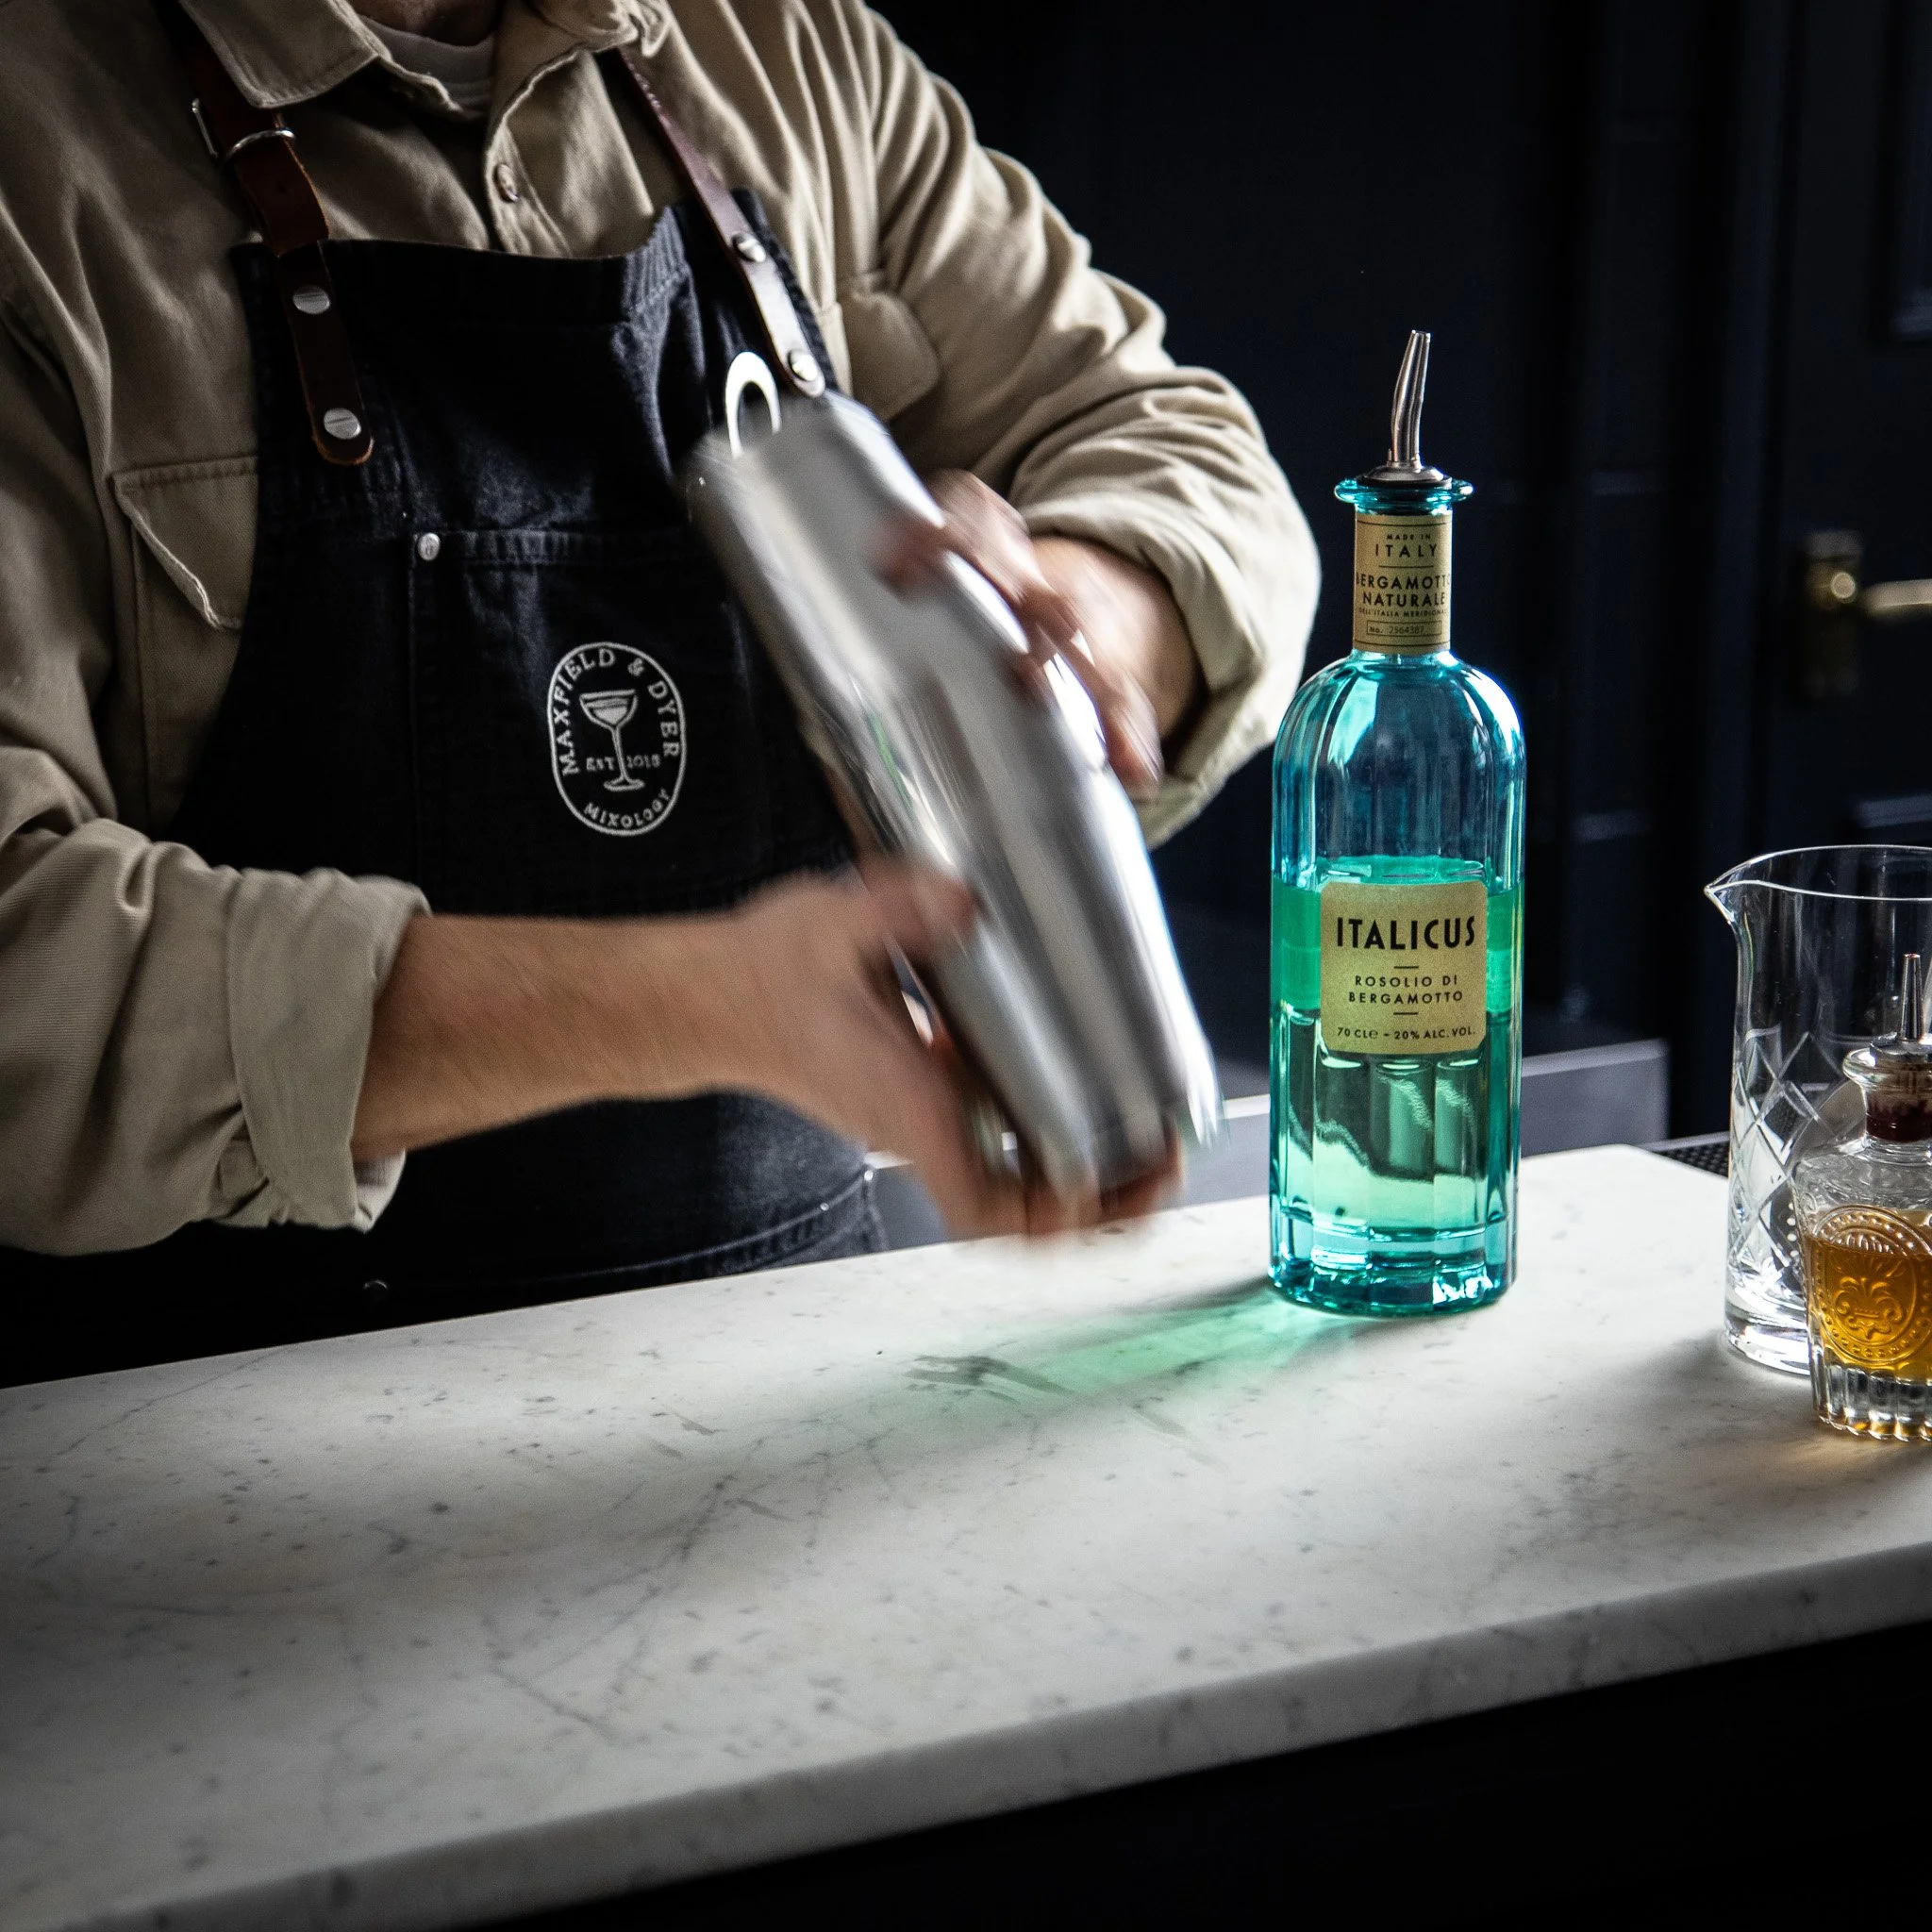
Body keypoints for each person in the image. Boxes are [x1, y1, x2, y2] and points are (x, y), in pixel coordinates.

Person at [0, 0, 1317, 1379]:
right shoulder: (42, 151)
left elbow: (1183, 450)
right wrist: (699, 1004)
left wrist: (1068, 620)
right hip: (217, 1483)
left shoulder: (783, 55)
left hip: (799, 1408)